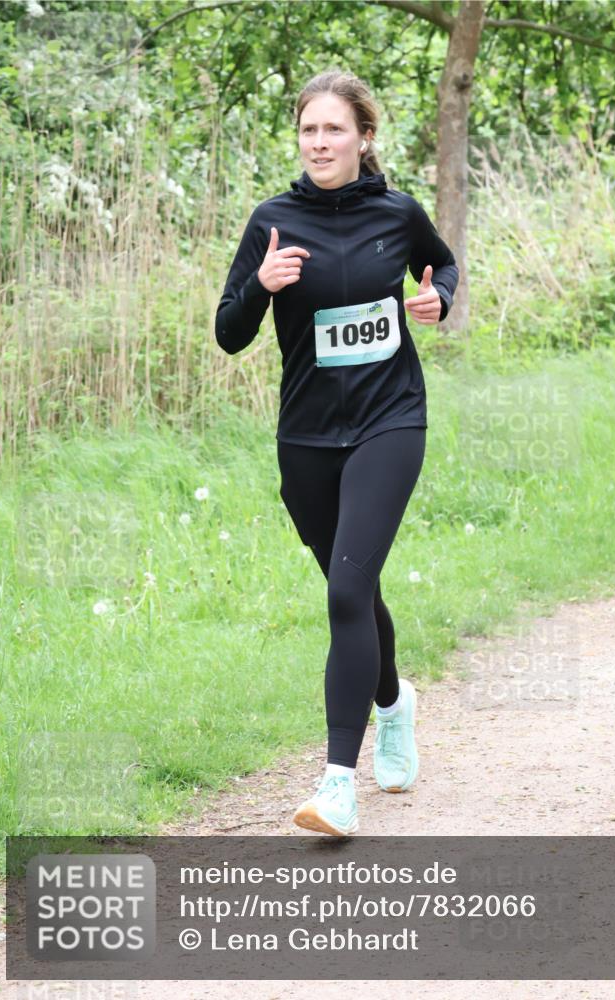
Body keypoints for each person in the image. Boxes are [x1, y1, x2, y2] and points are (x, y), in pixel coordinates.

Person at [215, 70, 459, 837]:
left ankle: (336, 786)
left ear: (363, 137)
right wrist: (260, 284)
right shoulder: (272, 222)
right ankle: (393, 702)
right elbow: (228, 332)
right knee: (353, 586)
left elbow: (441, 264)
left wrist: (437, 298)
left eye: (333, 130)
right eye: (308, 131)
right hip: (307, 438)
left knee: (346, 594)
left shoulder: (396, 211)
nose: (319, 143)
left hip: (391, 422)